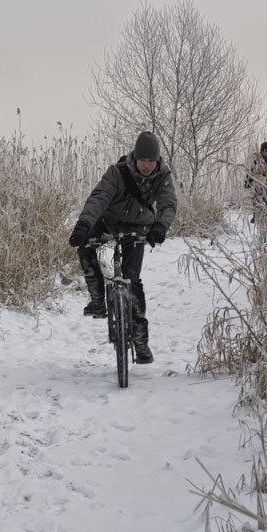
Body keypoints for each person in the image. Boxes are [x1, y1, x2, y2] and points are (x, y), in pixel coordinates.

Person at [67, 131, 177, 364]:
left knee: (133, 280)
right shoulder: (117, 173)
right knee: (85, 246)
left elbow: (168, 203)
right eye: (143, 160)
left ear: (157, 161)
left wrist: (160, 227)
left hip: (137, 226)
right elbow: (98, 199)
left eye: (151, 161)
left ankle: (140, 340)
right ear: (134, 157)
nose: (146, 165)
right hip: (107, 221)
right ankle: (97, 298)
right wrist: (83, 225)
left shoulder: (163, 176)